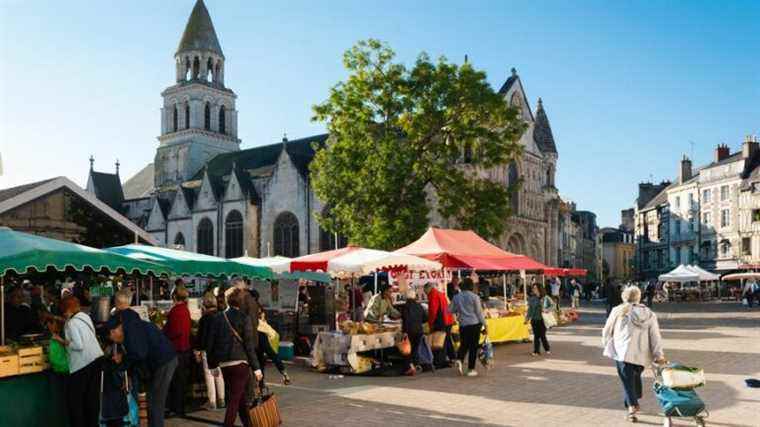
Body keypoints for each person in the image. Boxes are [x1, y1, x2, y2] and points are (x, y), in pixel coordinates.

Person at [602, 285, 666, 423]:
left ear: (624, 296)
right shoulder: (649, 314)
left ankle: (632, 406)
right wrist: (658, 355)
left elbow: (607, 330)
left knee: (627, 380)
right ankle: (634, 398)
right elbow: (655, 336)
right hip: (642, 354)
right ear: (639, 297)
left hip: (622, 352)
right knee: (632, 377)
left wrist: (607, 344)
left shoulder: (618, 310)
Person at [106, 308, 177, 427]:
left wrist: (123, 361)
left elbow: (139, 353)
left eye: (113, 338)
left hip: (163, 361)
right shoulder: (132, 327)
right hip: (162, 360)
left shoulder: (131, 331)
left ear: (115, 331)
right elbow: (138, 353)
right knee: (153, 400)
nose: (116, 342)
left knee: (155, 402)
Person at [206, 288, 263, 427]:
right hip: (240, 363)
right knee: (235, 399)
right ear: (242, 303)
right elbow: (249, 346)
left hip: (224, 364)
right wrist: (257, 368)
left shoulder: (218, 318)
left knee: (239, 395)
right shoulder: (245, 318)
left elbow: (210, 343)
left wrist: (212, 364)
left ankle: (248, 424)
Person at [51, 296, 103, 427]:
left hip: (81, 364)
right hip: (96, 359)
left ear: (67, 309)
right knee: (91, 399)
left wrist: (61, 341)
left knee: (75, 401)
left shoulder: (72, 323)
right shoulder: (84, 317)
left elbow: (78, 345)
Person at [250, 289, 291, 386]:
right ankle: (283, 372)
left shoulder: (251, 307)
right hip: (263, 334)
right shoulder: (260, 307)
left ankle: (260, 384)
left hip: (255, 334)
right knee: (269, 355)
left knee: (258, 359)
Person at [162, 286, 192, 416]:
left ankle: (176, 408)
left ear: (174, 296)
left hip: (176, 349)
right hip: (185, 348)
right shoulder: (185, 310)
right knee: (181, 380)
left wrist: (163, 332)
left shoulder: (176, 311)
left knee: (175, 381)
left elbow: (173, 331)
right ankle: (180, 407)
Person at [450, 278, 487, 377]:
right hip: (475, 324)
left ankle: (459, 359)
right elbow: (479, 313)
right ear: (471, 286)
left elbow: (450, 310)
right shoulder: (475, 297)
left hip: (463, 324)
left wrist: (459, 311)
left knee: (464, 344)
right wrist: (485, 324)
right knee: (473, 347)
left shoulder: (456, 297)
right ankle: (471, 369)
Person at [196, 293, 225, 410]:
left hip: (207, 349)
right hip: (219, 348)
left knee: (209, 374)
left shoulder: (204, 318)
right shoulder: (221, 316)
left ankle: (212, 401)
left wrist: (198, 349)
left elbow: (201, 337)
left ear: (205, 304)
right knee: (218, 373)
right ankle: (222, 399)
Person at [424, 282, 456, 367]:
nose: (425, 293)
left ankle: (440, 361)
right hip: (448, 319)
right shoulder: (439, 293)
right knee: (447, 339)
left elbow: (433, 312)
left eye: (425, 291)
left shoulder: (433, 295)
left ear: (428, 289)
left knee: (441, 341)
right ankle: (453, 357)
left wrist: (431, 324)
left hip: (442, 321)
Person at [400, 289, 426, 375]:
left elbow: (405, 320)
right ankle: (416, 365)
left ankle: (410, 367)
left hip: (409, 331)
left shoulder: (405, 306)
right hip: (419, 330)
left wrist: (404, 331)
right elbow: (425, 318)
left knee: (407, 350)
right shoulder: (419, 306)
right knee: (415, 349)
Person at [524, 284, 551, 356]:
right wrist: (527, 319)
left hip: (543, 319)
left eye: (535, 288)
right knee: (536, 336)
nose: (534, 290)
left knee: (542, 335)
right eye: (533, 288)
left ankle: (547, 348)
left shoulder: (546, 298)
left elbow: (553, 305)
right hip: (534, 319)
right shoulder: (532, 298)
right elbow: (530, 309)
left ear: (539, 289)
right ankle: (536, 351)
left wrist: (546, 310)